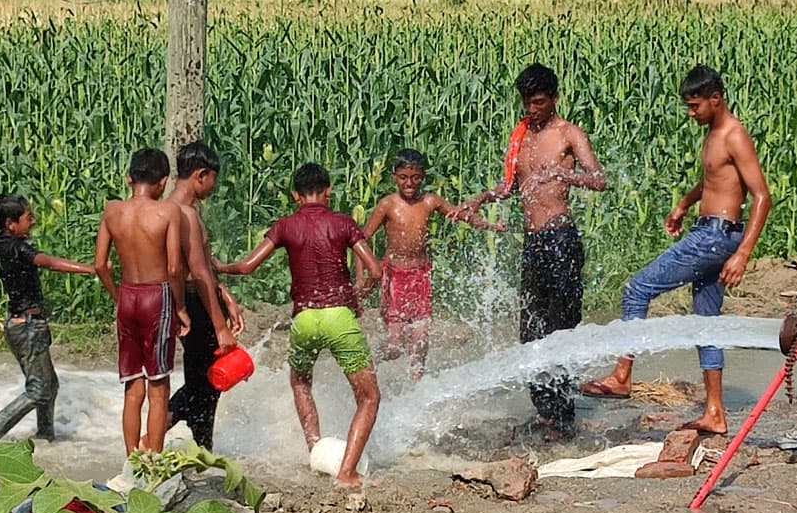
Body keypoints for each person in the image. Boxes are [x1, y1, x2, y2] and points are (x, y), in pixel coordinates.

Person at [579, 65, 772, 435]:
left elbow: (762, 196)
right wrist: (684, 204)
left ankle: (622, 374)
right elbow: (714, 178)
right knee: (705, 324)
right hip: (711, 231)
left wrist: (743, 253)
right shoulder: (715, 132)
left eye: (695, 105)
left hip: (715, 237)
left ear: (715, 99)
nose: (691, 112)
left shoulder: (734, 135)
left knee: (637, 289)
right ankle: (715, 412)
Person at [454, 63, 606, 440]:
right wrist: (480, 199)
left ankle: (564, 416)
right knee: (531, 330)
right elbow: (511, 187)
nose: (532, 109)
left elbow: (598, 180)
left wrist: (563, 174)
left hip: (561, 239)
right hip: (534, 242)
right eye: (526, 102)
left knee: (562, 328)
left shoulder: (568, 133)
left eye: (538, 102)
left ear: (554, 98)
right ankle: (545, 409)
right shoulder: (521, 135)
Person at [215, 162, 382, 487]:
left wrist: (220, 267)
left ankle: (315, 448)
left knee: (301, 382)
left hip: (304, 318)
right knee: (368, 397)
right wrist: (356, 294)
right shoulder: (343, 223)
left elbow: (248, 266)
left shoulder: (286, 225)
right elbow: (375, 271)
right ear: (328, 191)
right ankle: (346, 472)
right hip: (338, 316)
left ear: (295, 195)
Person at [356, 148, 506, 383]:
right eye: (404, 177)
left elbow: (458, 215)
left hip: (420, 275)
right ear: (394, 176)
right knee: (395, 345)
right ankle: (368, 365)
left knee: (420, 341)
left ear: (423, 176)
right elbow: (360, 239)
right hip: (394, 276)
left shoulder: (430, 201)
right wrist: (360, 276)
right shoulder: (388, 204)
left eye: (415, 178)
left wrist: (490, 225)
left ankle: (416, 387)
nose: (409, 183)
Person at [0, 194, 95, 443]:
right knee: (39, 389)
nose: (34, 221)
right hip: (27, 327)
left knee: (49, 387)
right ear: (10, 223)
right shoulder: (16, 247)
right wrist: (90, 268)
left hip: (21, 324)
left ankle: (45, 436)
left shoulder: (1, 244)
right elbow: (48, 262)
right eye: (28, 218)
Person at [94, 148, 189, 455]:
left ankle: (131, 457)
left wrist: (116, 294)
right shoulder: (168, 212)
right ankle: (155, 463)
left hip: (128, 295)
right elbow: (174, 268)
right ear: (163, 182)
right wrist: (181, 308)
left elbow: (100, 265)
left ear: (128, 178)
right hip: (156, 296)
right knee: (158, 387)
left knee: (132, 384)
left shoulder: (111, 211)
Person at [165, 141, 245, 451]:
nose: (214, 186)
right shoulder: (185, 214)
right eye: (214, 178)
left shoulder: (173, 210)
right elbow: (196, 272)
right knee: (207, 380)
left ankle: (200, 447)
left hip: (194, 296)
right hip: (195, 301)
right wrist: (221, 326)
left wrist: (222, 291)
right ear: (201, 175)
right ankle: (155, 439)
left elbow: (199, 264)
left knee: (205, 381)